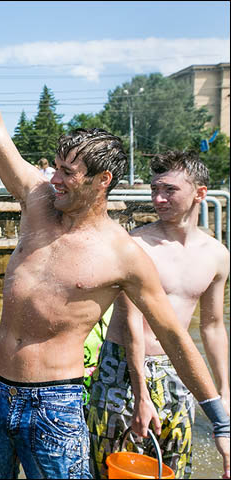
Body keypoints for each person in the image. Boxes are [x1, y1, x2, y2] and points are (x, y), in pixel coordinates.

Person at [0, 9, 229, 479]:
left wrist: (221, 419)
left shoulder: (123, 254)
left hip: (55, 406)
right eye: (54, 167)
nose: (52, 178)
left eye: (67, 173)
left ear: (102, 181)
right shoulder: (37, 202)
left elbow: (177, 338)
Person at [87, 151, 230, 478]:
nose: (158, 198)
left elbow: (213, 327)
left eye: (169, 190)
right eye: (154, 190)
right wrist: (141, 396)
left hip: (177, 368)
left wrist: (223, 395)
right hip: (121, 367)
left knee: (174, 466)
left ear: (200, 193)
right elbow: (132, 325)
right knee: (112, 466)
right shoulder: (136, 246)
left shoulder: (217, 256)